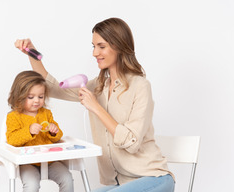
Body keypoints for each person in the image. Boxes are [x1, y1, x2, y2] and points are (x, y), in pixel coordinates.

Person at [15, 17, 175, 192]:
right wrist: (32, 53)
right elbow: (52, 89)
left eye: (101, 46)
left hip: (154, 178)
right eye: (94, 46)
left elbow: (131, 142)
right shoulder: (98, 87)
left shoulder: (140, 86)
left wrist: (96, 107)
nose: (94, 53)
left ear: (119, 46)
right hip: (121, 183)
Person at [6, 70, 73, 192]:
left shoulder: (46, 114)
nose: (37, 101)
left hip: (50, 160)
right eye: (31, 97)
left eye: (40, 97)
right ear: (18, 97)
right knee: (31, 184)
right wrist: (29, 131)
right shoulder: (13, 117)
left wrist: (53, 131)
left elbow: (58, 136)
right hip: (27, 162)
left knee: (67, 178)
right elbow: (12, 140)